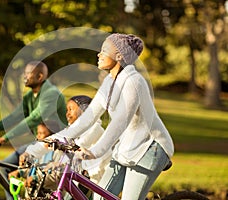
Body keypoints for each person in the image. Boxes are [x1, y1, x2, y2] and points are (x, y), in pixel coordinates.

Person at [25, 33, 174, 200]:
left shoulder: (134, 82)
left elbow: (120, 122)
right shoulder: (110, 82)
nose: (98, 54)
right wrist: (35, 150)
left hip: (150, 148)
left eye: (104, 50)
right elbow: (86, 120)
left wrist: (95, 151)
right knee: (99, 197)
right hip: (126, 148)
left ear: (119, 55)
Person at [0, 61, 67, 200]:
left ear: (40, 76)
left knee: (28, 174)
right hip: (39, 142)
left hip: (55, 146)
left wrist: (4, 138)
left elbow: (33, 119)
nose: (24, 77)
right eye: (24, 73)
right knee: (5, 167)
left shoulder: (51, 93)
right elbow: (13, 117)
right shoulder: (30, 96)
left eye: (28, 73)